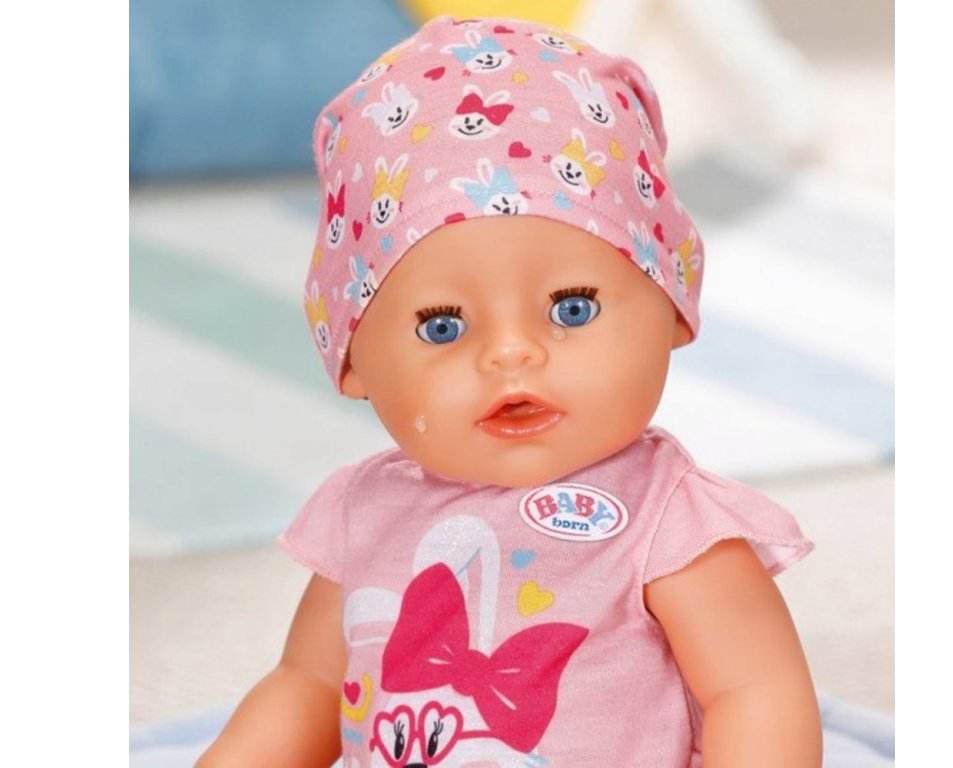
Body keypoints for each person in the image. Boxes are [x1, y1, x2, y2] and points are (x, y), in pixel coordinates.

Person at [199, 15, 822, 767]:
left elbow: (755, 691)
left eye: (572, 309)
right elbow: (307, 684)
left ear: (672, 308)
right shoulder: (365, 512)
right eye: (442, 327)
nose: (510, 353)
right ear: (352, 358)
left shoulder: (667, 519)